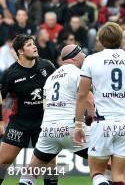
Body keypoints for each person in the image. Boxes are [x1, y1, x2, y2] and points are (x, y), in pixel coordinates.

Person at [74, 22, 125, 185]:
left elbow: (82, 95)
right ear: (121, 38)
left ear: (100, 39)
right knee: (118, 177)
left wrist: (78, 125)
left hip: (103, 122)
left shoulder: (91, 60)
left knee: (97, 173)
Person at [19, 45, 93, 185]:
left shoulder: (51, 78)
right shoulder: (79, 73)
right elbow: (88, 98)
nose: (84, 55)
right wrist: (90, 118)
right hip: (71, 127)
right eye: (82, 52)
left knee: (30, 173)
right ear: (75, 56)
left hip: (48, 129)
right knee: (107, 163)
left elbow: (46, 107)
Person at [0, 34, 55, 184]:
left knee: (50, 164)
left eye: (34, 43)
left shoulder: (47, 66)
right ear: (20, 51)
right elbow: (0, 98)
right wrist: (0, 123)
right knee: (2, 162)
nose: (34, 46)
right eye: (29, 45)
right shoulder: (10, 74)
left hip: (44, 123)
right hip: (20, 123)